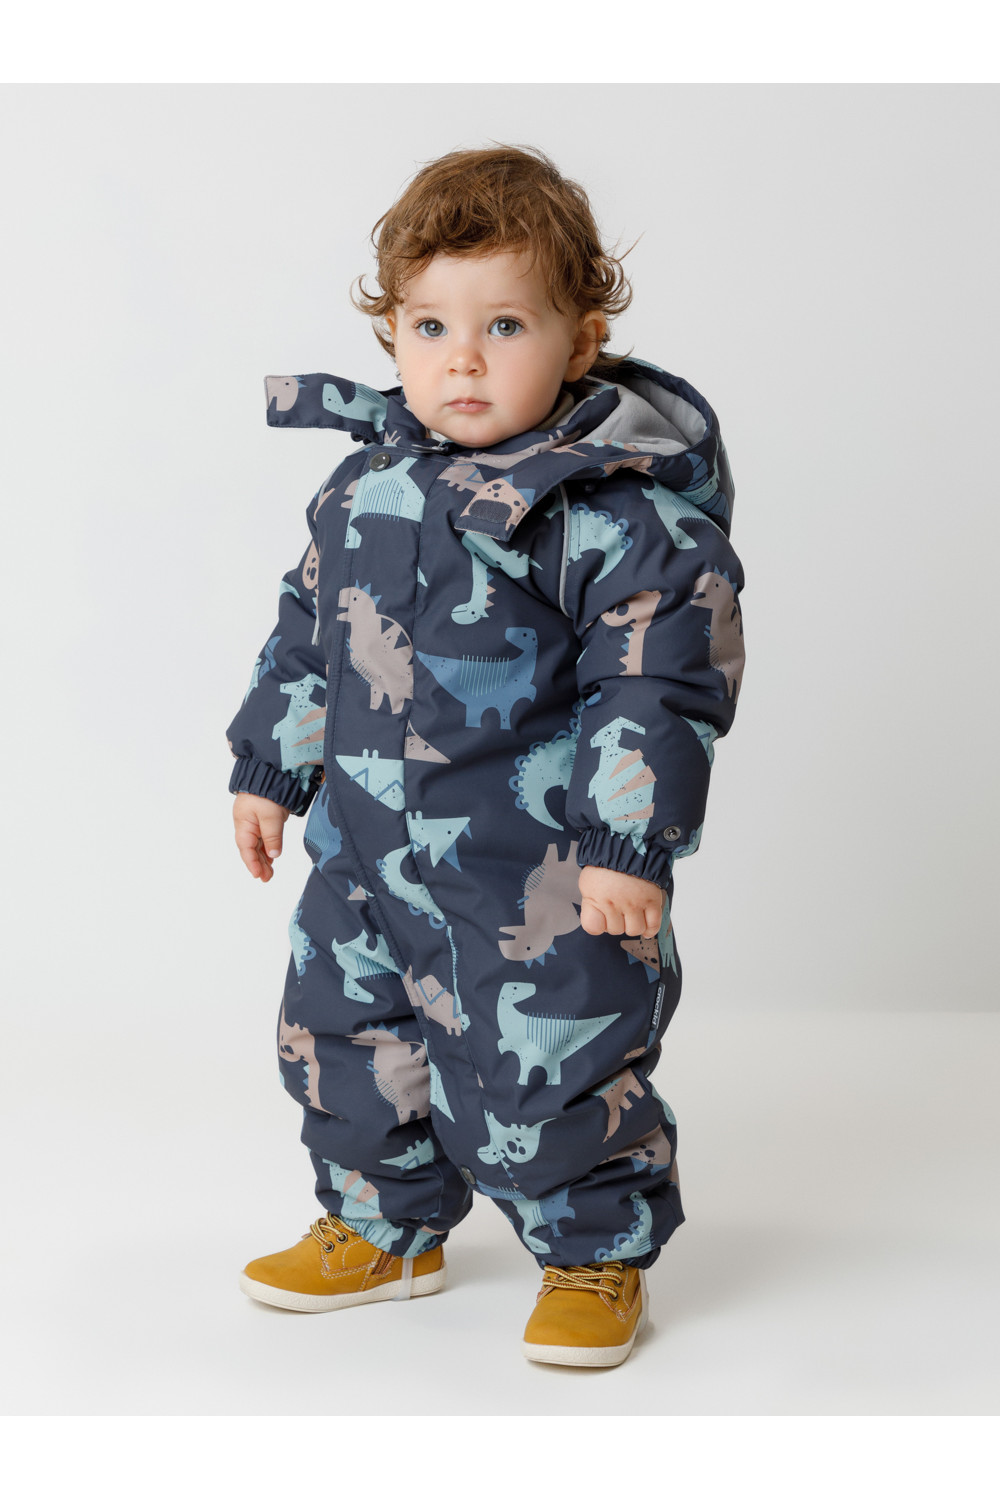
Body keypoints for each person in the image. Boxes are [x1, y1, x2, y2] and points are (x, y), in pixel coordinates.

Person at [226, 143, 745, 1368]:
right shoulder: (363, 490)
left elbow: (655, 683)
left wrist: (627, 842)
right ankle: (382, 1227)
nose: (461, 358)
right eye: (430, 326)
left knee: (554, 1061)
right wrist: (270, 769)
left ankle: (594, 1252)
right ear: (393, 335)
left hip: (541, 875)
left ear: (579, 341)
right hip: (364, 857)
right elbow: (309, 632)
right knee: (346, 1034)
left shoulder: (617, 516)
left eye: (503, 324)